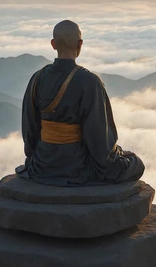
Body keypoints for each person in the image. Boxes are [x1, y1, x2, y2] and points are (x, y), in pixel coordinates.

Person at [19, 20, 145, 185]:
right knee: (136, 163)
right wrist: (115, 156)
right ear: (80, 44)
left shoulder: (37, 78)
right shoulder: (89, 81)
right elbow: (99, 139)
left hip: (42, 165)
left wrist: (37, 156)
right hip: (77, 167)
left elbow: (30, 128)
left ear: (53, 44)